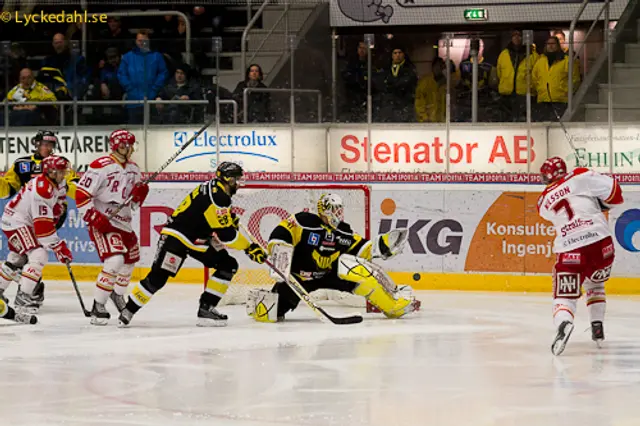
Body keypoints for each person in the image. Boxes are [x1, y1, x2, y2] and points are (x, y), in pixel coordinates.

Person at [117, 162, 267, 328]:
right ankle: (128, 310)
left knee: (227, 265)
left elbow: (213, 218)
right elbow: (227, 235)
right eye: (237, 179)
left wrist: (229, 220)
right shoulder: (219, 197)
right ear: (228, 179)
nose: (239, 183)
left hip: (198, 239)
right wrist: (249, 247)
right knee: (158, 278)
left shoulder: (215, 188)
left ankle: (206, 309)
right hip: (177, 238)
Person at [246, 194, 420, 323]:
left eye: (340, 209)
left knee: (363, 276)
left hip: (329, 274)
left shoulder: (343, 231)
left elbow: (363, 248)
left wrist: (384, 246)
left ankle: (393, 307)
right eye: (334, 209)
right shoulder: (304, 221)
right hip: (299, 278)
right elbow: (281, 233)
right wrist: (279, 250)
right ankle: (261, 303)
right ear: (325, 210)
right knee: (268, 315)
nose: (338, 213)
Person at [537, 157, 624, 356]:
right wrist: (597, 192)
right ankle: (597, 326)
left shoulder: (542, 202)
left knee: (564, 297)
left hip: (570, 249)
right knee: (595, 283)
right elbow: (616, 196)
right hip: (601, 244)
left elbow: (567, 207)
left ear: (548, 176)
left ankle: (564, 322)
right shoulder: (580, 175)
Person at [75, 129, 148, 325]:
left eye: (132, 145)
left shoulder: (134, 168)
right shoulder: (100, 166)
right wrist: (93, 216)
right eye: (129, 145)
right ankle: (98, 305)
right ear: (119, 146)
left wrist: (139, 195)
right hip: (104, 221)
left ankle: (117, 295)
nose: (132, 148)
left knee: (130, 260)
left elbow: (133, 204)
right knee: (115, 260)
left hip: (124, 221)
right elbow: (81, 194)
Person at [0, 130, 79, 309]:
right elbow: (8, 189)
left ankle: (15, 290)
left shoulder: (57, 169)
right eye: (44, 144)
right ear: (36, 144)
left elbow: (72, 188)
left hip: (30, 218)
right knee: (38, 253)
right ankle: (26, 294)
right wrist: (59, 247)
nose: (47, 148)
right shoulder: (29, 171)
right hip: (24, 220)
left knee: (18, 258)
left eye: (51, 145)